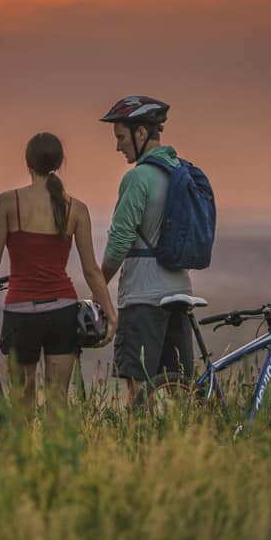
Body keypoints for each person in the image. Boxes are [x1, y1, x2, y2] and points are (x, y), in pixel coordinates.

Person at [0, 133, 117, 412]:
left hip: (21, 313)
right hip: (62, 312)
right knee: (57, 401)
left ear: (28, 163)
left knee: (22, 401)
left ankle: (25, 455)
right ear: (59, 163)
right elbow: (91, 271)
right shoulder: (76, 209)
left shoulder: (7, 202)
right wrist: (111, 313)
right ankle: (58, 455)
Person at [99, 95, 194, 405]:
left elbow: (120, 240)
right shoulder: (182, 173)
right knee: (177, 390)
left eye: (121, 137)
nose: (118, 147)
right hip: (179, 293)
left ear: (141, 133)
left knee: (138, 391)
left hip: (143, 297)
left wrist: (99, 284)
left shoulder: (138, 178)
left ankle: (138, 450)